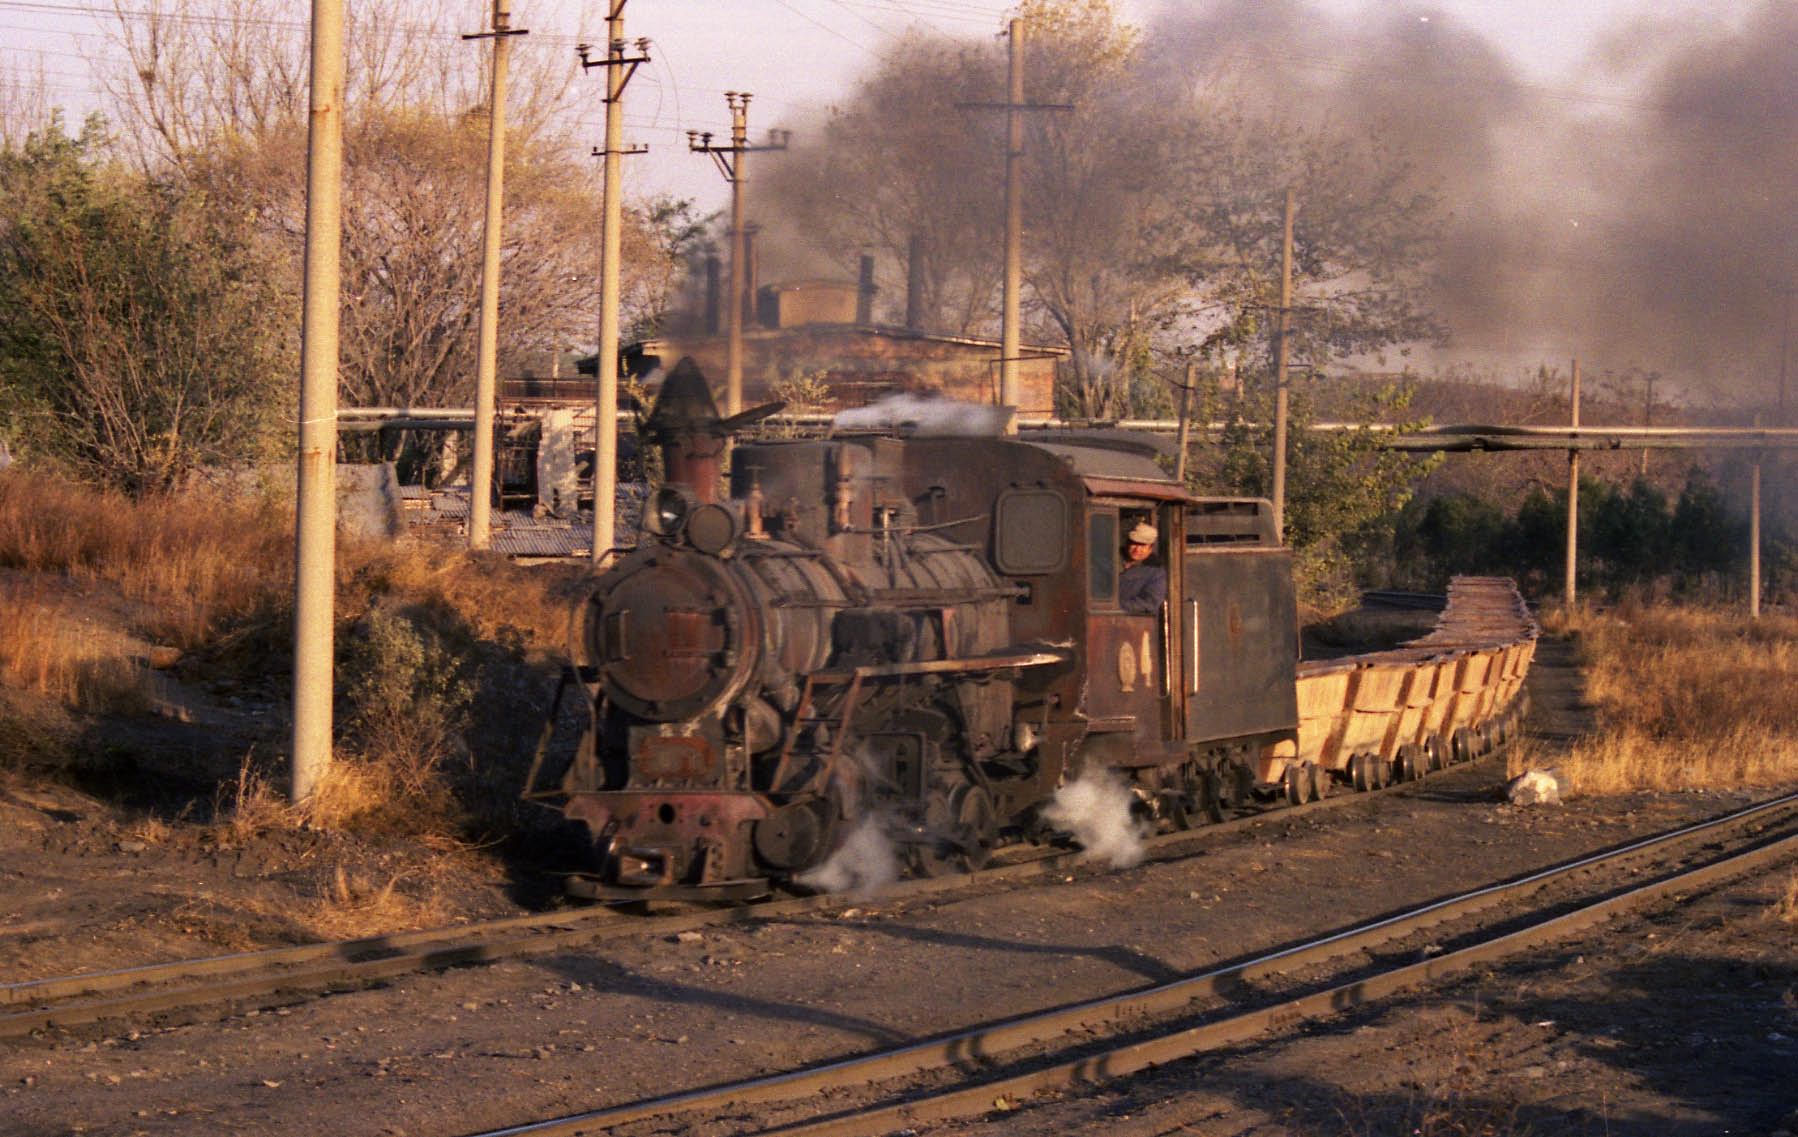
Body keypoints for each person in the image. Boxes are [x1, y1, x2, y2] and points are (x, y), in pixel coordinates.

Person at [1118, 520, 1166, 615]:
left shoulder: (1156, 573)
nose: (1137, 549)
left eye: (1142, 545)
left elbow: (1149, 603)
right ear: (1127, 543)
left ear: (1150, 548)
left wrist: (1115, 607)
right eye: (1134, 544)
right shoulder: (1109, 560)